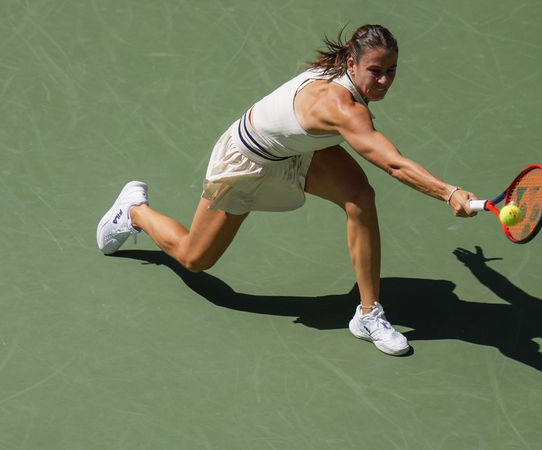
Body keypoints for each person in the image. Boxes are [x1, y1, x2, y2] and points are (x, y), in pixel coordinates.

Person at [96, 24, 478, 356]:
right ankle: (134, 211)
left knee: (360, 198)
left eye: (391, 71)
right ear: (351, 65)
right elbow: (392, 162)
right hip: (248, 161)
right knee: (195, 258)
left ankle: (368, 314)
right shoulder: (342, 108)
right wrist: (448, 192)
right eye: (375, 71)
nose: (383, 81)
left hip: (300, 151)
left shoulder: (344, 75)